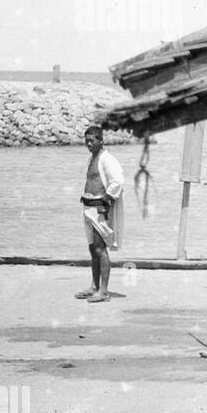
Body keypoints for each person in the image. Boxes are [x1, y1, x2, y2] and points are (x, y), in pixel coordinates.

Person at [76, 124, 124, 304]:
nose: (88, 144)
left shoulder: (107, 159)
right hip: (87, 207)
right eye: (86, 141)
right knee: (92, 249)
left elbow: (118, 182)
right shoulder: (91, 159)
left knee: (99, 248)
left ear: (101, 140)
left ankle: (104, 291)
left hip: (99, 208)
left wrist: (106, 203)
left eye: (92, 141)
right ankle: (94, 286)